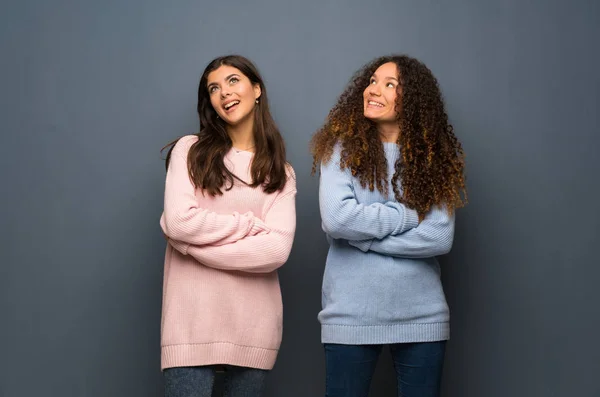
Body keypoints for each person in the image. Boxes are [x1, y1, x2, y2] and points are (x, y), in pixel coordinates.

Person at [310, 54, 467, 397]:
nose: (373, 89)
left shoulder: (432, 158)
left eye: (389, 84)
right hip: (349, 315)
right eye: (371, 81)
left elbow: (440, 237)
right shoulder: (339, 149)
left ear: (413, 100)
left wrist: (362, 240)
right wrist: (410, 216)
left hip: (421, 317)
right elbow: (337, 218)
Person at [159, 55, 297, 397]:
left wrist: (191, 247)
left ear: (257, 89)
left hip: (254, 326)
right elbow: (178, 221)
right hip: (190, 324)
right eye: (214, 88)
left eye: (233, 81)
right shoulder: (188, 151)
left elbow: (276, 250)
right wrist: (249, 225)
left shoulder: (281, 174)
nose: (224, 93)